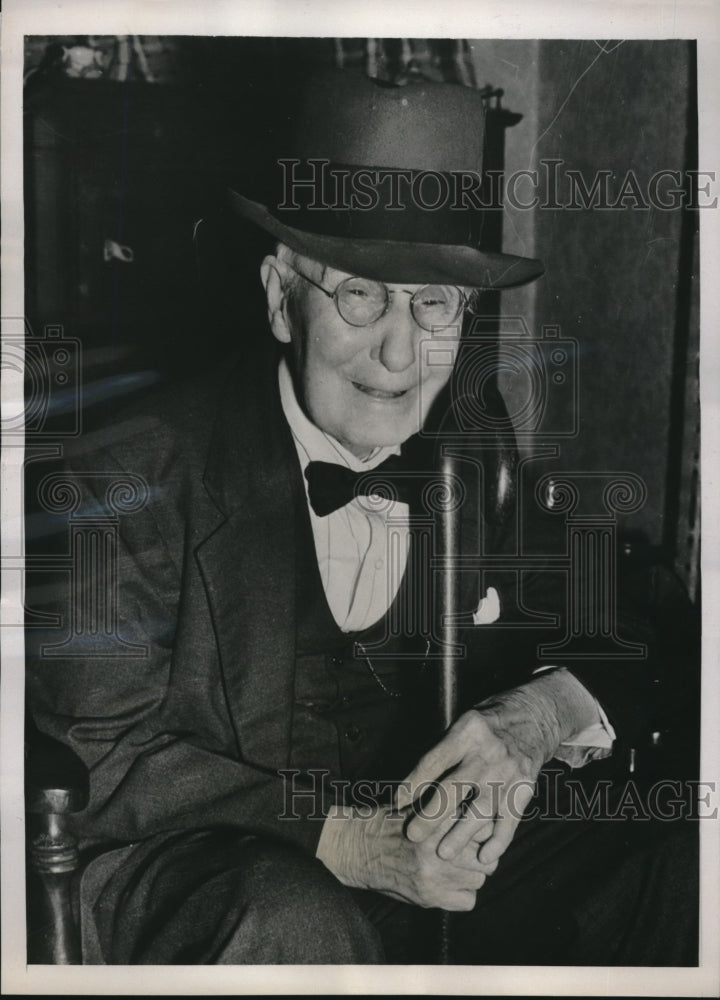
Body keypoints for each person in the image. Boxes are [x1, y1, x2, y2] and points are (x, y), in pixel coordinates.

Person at [27, 69, 698, 965]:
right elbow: (102, 761)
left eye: (433, 303)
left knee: (681, 863)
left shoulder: (472, 436)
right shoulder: (133, 467)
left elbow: (638, 619)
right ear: (278, 296)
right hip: (210, 868)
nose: (398, 350)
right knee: (299, 925)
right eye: (359, 294)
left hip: (421, 864)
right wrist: (350, 844)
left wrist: (535, 717)